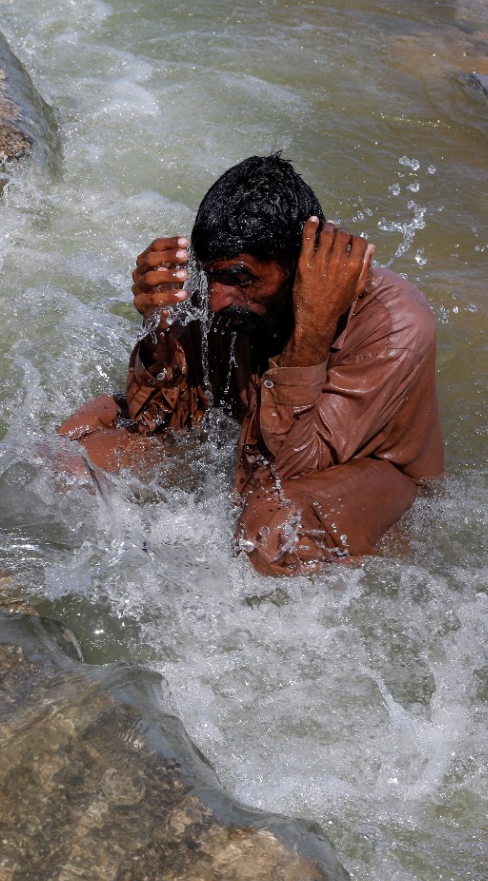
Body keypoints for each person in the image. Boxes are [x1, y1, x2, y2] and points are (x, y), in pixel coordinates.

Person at [58, 154, 444, 575]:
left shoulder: (394, 326)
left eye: (242, 279)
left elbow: (286, 477)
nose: (219, 300)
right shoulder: (225, 289)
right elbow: (155, 419)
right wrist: (158, 327)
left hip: (370, 481)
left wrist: (310, 332)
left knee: (271, 532)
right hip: (256, 446)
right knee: (72, 449)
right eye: (212, 277)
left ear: (298, 268)